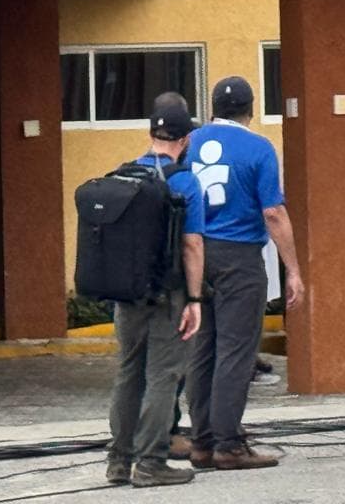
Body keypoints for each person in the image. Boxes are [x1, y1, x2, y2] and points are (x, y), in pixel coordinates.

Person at [186, 76, 304, 472]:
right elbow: (273, 212)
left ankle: (201, 441)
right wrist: (293, 270)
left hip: (196, 254)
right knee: (236, 351)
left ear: (213, 108)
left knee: (203, 348)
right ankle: (229, 444)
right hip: (239, 257)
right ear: (251, 110)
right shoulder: (259, 148)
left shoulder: (190, 142)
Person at [107, 94, 206, 489]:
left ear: (151, 133)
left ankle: (118, 461)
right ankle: (151, 463)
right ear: (186, 139)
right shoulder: (184, 181)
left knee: (128, 373)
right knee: (163, 376)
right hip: (168, 296)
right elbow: (192, 245)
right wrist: (195, 300)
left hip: (126, 295)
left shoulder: (124, 175)